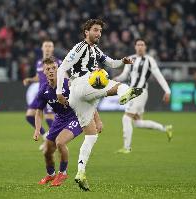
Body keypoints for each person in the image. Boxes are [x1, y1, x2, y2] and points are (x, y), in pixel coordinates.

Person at [56, 19, 142, 191]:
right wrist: (59, 91)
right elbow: (61, 68)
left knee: (91, 135)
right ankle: (124, 94)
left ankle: (80, 172)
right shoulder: (79, 47)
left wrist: (122, 62)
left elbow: (111, 62)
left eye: (100, 31)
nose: (98, 33)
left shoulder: (95, 50)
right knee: (109, 81)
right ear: (86, 32)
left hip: (79, 98)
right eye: (95, 30)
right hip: (82, 84)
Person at [114, 38, 173, 154]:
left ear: (145, 47)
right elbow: (124, 75)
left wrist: (167, 91)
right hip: (132, 92)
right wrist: (115, 79)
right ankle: (166, 128)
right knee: (138, 123)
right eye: (138, 45)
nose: (140, 47)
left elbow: (159, 76)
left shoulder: (149, 60)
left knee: (126, 118)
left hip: (140, 91)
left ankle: (127, 148)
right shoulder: (130, 59)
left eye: (142, 45)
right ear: (135, 47)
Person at [33, 57, 83, 186]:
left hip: (75, 117)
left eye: (53, 68)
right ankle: (51, 175)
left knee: (60, 142)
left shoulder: (69, 84)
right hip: (59, 119)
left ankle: (63, 173)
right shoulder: (43, 90)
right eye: (47, 69)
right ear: (43, 72)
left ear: (58, 69)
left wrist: (97, 120)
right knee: (47, 151)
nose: (51, 71)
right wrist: (37, 129)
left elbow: (86, 101)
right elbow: (39, 111)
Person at [23, 40, 62, 149]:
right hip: (41, 93)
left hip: (51, 92)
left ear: (53, 49)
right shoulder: (39, 62)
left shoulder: (58, 62)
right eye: (46, 46)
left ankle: (55, 141)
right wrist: (30, 79)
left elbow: (65, 76)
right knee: (29, 115)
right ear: (42, 48)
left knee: (49, 117)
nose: (48, 48)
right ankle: (46, 136)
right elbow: (38, 76)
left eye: (50, 46)